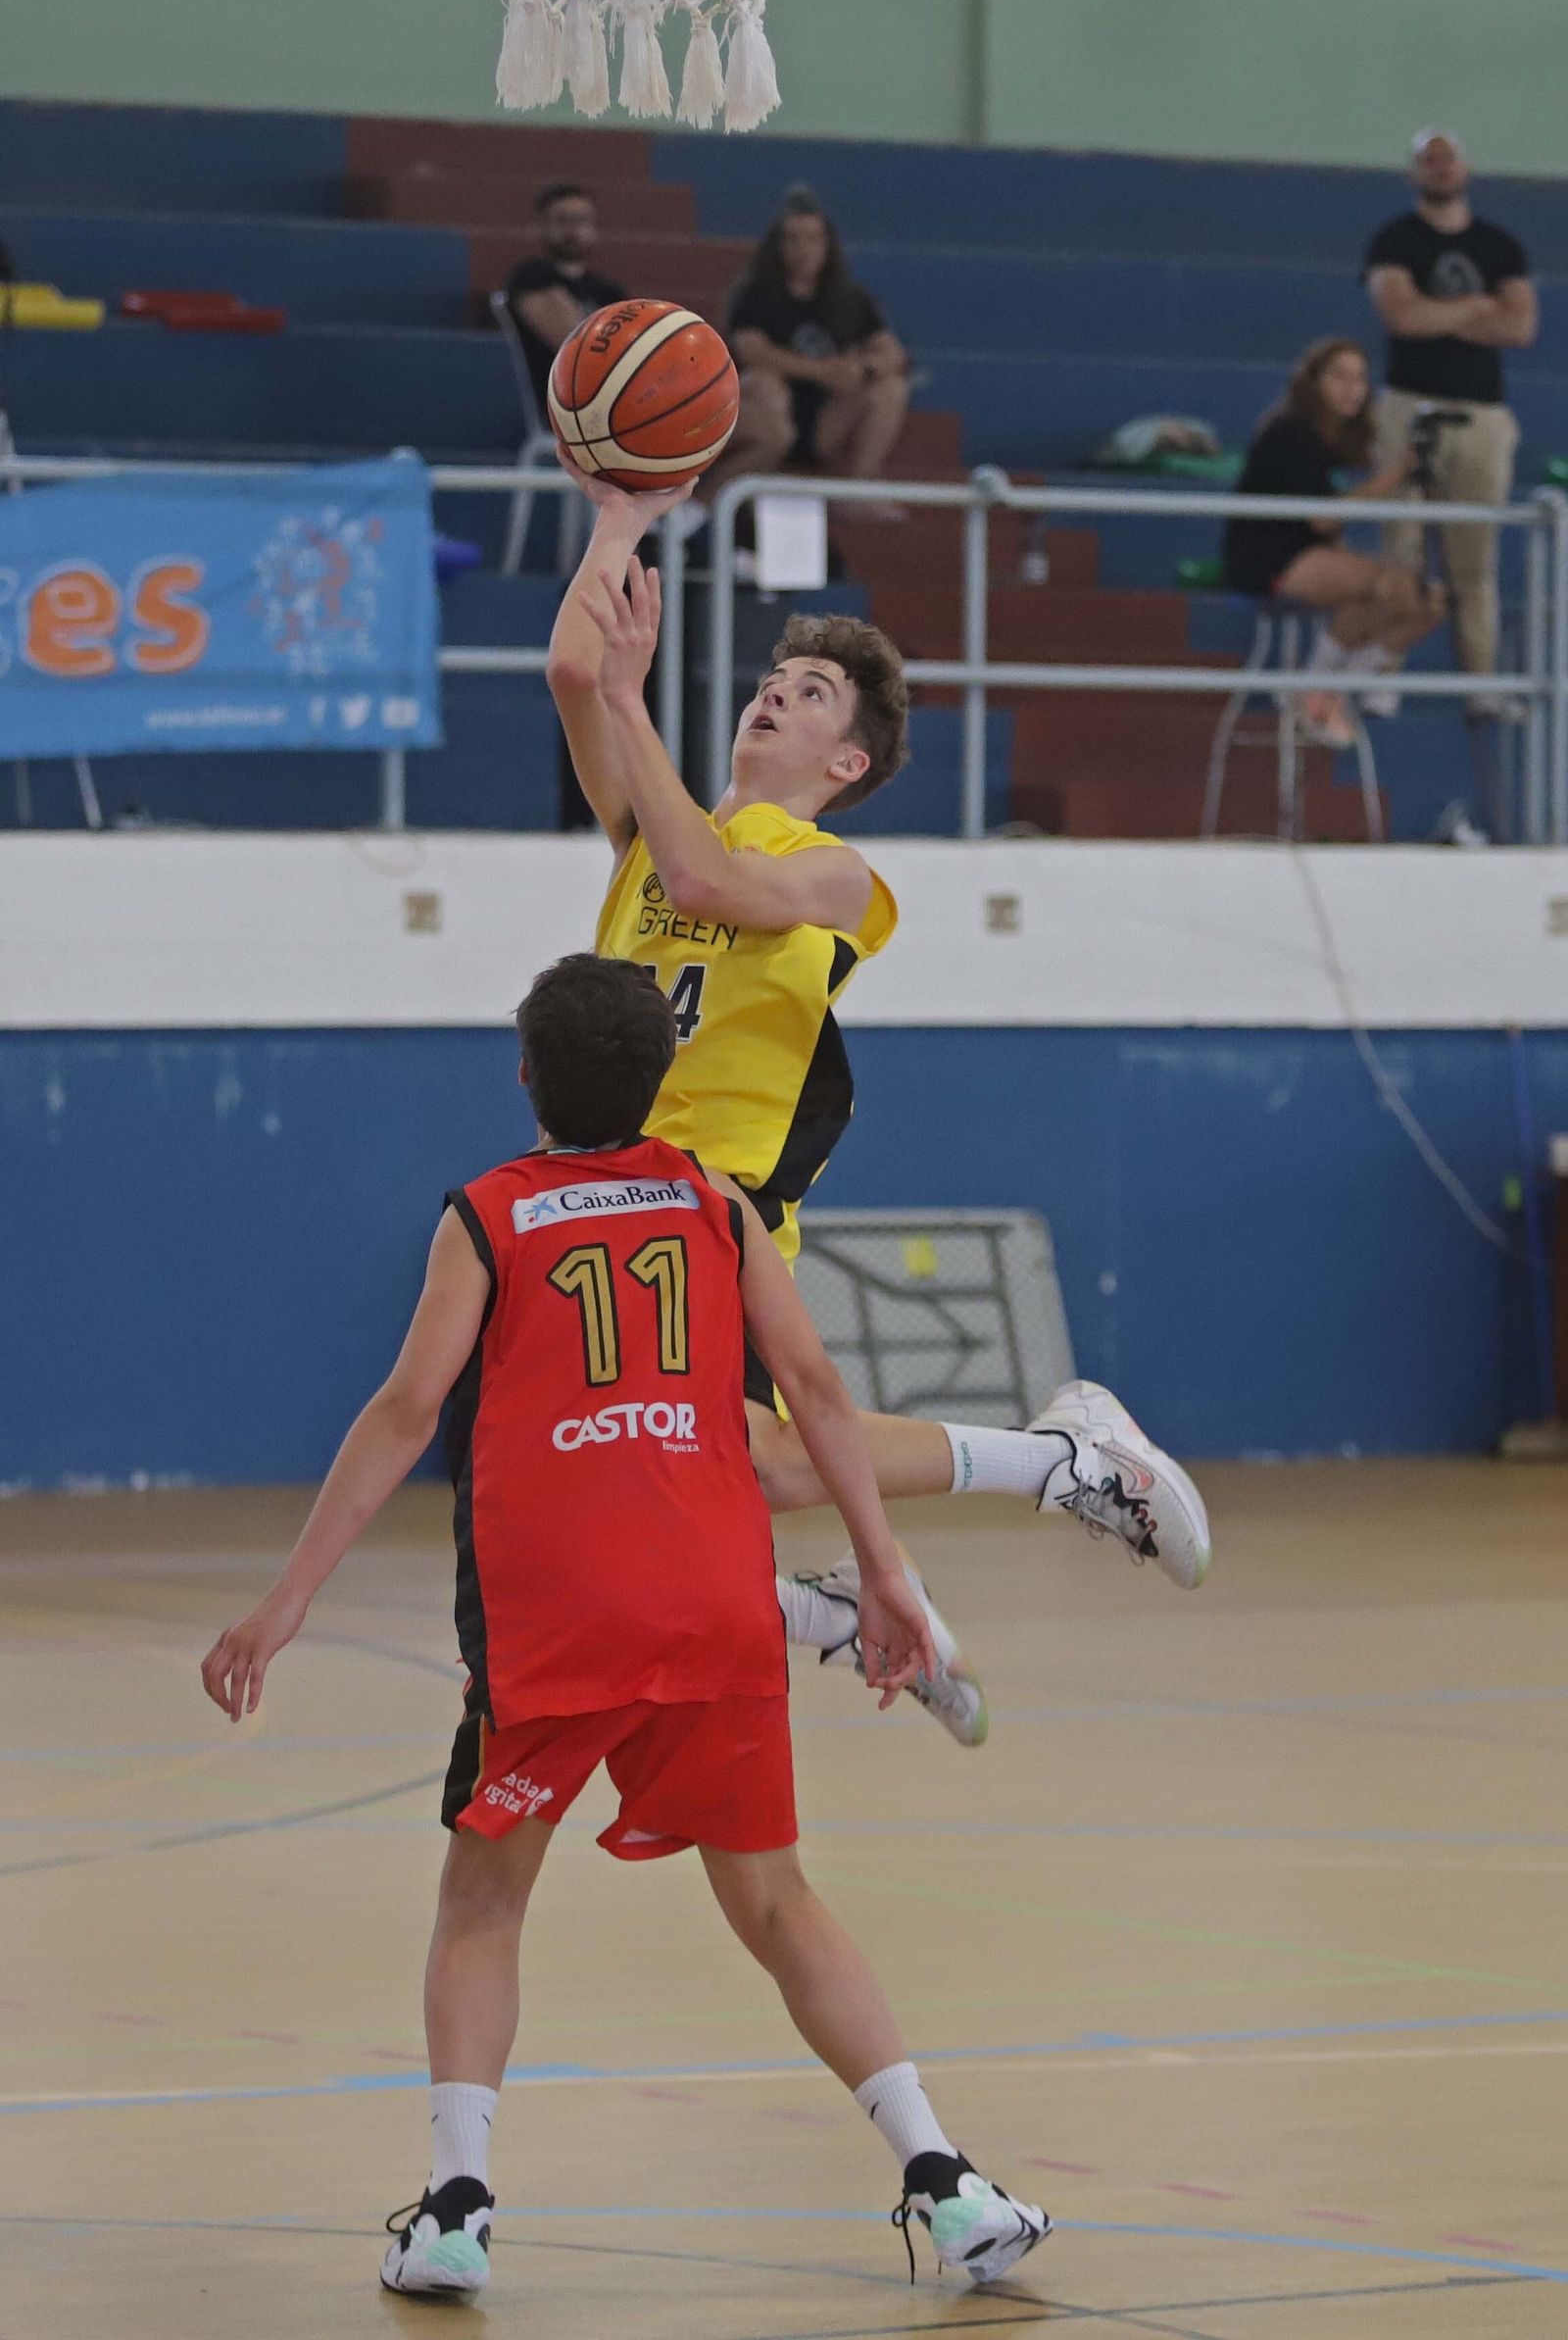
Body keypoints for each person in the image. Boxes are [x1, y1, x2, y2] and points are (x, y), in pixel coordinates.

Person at [200, 954, 1050, 2303]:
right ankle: (944, 2181)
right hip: (716, 1602)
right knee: (774, 1897)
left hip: (559, 1617)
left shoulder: (487, 1214)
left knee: (483, 1897)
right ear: (665, 1080)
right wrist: (886, 1573)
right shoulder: (713, 1202)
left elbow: (408, 1409)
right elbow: (820, 1392)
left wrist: (287, 1597)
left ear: (526, 1072)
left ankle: (458, 2205)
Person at [546, 473, 1212, 1743]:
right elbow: (576, 678)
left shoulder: (838, 875)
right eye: (773, 677)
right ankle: (868, 1588)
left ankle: (1053, 1464)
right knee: (649, 1497)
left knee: (725, 1475)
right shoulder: (654, 829)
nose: (773, 693)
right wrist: (618, 524)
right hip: (616, 1203)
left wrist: (635, 699)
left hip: (712, 1207)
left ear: (846, 762)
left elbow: (702, 865)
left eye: (809, 694)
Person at [1363, 131, 1538, 710]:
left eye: (1448, 159)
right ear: (1413, 173)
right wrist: (1477, 307)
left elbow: (1519, 328)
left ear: (1466, 168)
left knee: (1474, 558)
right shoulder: (1394, 240)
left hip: (1481, 418)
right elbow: (1401, 316)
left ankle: (1480, 686)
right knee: (1401, 547)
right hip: (1408, 407)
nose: (1440, 169)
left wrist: (1436, 314)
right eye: (1428, 161)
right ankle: (1384, 673)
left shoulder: (1499, 246)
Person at [1223, 338, 1444, 744]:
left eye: (1360, 378)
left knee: (1427, 603)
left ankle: (1331, 693)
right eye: (1339, 376)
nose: (1352, 388)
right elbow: (1322, 518)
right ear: (1314, 382)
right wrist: (1396, 475)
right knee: (1386, 584)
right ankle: (1313, 690)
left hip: (1310, 553)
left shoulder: (1333, 442)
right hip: (1267, 558)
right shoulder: (1291, 433)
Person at [708, 185, 910, 488]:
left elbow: (893, 353)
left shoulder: (852, 299)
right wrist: (822, 371)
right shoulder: (755, 294)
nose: (804, 249)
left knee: (891, 388)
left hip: (827, 416)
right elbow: (752, 351)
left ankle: (860, 485)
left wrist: (862, 369)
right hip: (770, 409)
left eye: (814, 239)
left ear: (828, 245)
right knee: (763, 382)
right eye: (793, 239)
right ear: (778, 245)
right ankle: (714, 500)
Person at [503, 183, 628, 420]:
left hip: (608, 402)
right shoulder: (531, 276)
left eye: (581, 220)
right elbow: (578, 347)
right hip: (559, 403)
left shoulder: (609, 291)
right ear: (542, 226)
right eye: (562, 220)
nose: (572, 229)